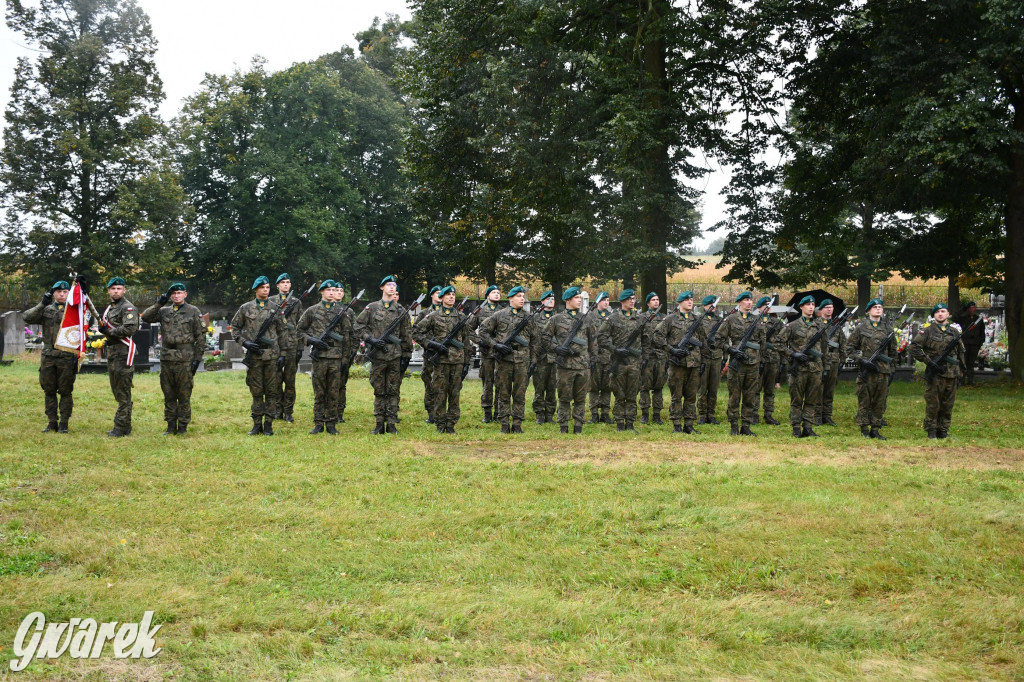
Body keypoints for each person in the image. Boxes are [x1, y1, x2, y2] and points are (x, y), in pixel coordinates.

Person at [141, 283, 206, 435]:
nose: (176, 296)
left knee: (184, 394)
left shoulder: (193, 311)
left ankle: (183, 426)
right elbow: (145, 317)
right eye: (173, 293)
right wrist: (159, 303)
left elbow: (200, 336)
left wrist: (197, 358)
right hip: (167, 358)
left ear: (185, 294)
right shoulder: (164, 311)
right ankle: (170, 425)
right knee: (168, 393)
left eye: (179, 293)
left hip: (185, 358)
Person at [355, 275, 413, 434]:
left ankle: (392, 424)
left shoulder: (401, 310)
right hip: (378, 357)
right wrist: (371, 340)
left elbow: (406, 334)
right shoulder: (371, 308)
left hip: (395, 356)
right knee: (379, 391)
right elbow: (358, 326)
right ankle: (379, 423)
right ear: (382, 287)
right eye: (388, 285)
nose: (392, 287)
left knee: (393, 391)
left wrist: (406, 355)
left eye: (394, 285)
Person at [477, 286, 539, 433]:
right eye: (518, 296)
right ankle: (504, 423)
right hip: (504, 360)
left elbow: (536, 340)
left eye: (523, 296)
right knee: (503, 393)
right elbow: (483, 331)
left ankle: (517, 424)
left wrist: (534, 360)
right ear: (510, 298)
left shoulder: (529, 317)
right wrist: (496, 345)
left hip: (522, 360)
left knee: (520, 393)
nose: (522, 299)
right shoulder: (499, 315)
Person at [231, 275, 288, 435]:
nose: (266, 290)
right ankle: (257, 424)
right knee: (256, 392)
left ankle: (268, 424)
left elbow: (283, 332)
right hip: (254, 357)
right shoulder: (245, 308)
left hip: (272, 356)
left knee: (271, 392)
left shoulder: (276, 308)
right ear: (256, 289)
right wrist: (245, 343)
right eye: (262, 287)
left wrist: (283, 353)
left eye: (268, 287)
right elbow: (234, 328)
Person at [413, 286, 471, 433]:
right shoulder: (433, 316)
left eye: (453, 295)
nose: (451, 297)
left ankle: (451, 424)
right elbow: (416, 332)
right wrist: (431, 344)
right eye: (448, 295)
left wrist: (466, 362)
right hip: (440, 362)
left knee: (455, 393)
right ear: (442, 298)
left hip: (457, 361)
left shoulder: (461, 317)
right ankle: (440, 424)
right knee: (439, 393)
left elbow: (466, 341)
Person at [24, 280, 78, 433]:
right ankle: (52, 422)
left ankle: (64, 424)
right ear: (54, 293)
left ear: (68, 293)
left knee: (66, 391)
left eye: (65, 292)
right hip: (49, 357)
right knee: (49, 390)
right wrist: (42, 303)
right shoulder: (46, 310)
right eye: (58, 292)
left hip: (66, 356)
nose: (61, 294)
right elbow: (27, 317)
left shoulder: (74, 311)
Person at [542, 287, 597, 434]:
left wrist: (593, 359)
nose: (579, 300)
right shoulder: (556, 319)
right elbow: (545, 337)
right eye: (576, 297)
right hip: (565, 365)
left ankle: (578, 426)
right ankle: (563, 426)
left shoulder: (586, 319)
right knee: (564, 398)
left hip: (583, 365)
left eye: (580, 297)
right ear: (568, 300)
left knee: (580, 398)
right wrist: (556, 348)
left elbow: (593, 341)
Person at [297, 281, 349, 434]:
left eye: (334, 289)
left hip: (336, 357)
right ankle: (319, 422)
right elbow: (299, 331)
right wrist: (312, 341)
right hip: (319, 358)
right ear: (321, 292)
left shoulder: (341, 312)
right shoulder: (312, 311)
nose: (332, 292)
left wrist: (345, 359)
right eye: (328, 290)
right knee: (319, 391)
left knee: (333, 392)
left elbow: (347, 335)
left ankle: (331, 423)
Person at [654, 291, 707, 434]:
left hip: (694, 364)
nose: (690, 302)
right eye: (687, 300)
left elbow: (703, 341)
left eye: (691, 300)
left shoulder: (697, 320)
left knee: (691, 396)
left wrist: (703, 361)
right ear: (680, 302)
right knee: (676, 396)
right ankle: (676, 425)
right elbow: (657, 337)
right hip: (677, 364)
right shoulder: (670, 319)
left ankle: (689, 425)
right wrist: (671, 350)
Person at [910, 303, 965, 438]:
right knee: (933, 404)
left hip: (951, 374)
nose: (940, 314)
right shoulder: (927, 331)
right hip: (935, 374)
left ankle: (943, 430)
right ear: (933, 315)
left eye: (943, 311)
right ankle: (932, 431)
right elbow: (913, 348)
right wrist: (929, 362)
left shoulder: (954, 332)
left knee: (948, 404)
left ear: (948, 314)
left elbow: (961, 352)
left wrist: (961, 371)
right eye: (937, 312)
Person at [776, 295, 827, 438]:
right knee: (796, 400)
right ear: (801, 307)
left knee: (812, 400)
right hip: (798, 369)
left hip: (815, 368)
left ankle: (808, 427)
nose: (811, 307)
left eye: (813, 304)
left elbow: (824, 349)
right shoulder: (793, 325)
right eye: (808, 304)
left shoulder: (820, 326)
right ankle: (796, 428)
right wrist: (793, 354)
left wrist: (825, 367)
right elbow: (778, 343)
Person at [846, 298, 895, 439]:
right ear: (868, 311)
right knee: (864, 401)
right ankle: (864, 428)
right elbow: (849, 348)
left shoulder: (888, 329)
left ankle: (875, 428)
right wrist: (861, 360)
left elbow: (893, 352)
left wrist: (892, 369)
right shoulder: (861, 328)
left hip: (883, 371)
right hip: (866, 372)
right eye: (875, 307)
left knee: (879, 401)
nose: (878, 309)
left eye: (880, 307)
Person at [599, 289, 647, 432]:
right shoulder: (613, 318)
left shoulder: (640, 319)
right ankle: (620, 422)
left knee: (632, 395)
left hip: (634, 363)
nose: (633, 301)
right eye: (629, 299)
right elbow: (601, 337)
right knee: (619, 394)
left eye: (634, 298)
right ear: (622, 301)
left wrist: (644, 358)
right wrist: (614, 349)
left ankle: (630, 423)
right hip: (618, 363)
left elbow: (646, 340)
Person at [98, 277, 140, 437]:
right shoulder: (110, 308)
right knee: (117, 390)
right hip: (113, 353)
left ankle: (121, 427)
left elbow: (130, 328)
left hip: (123, 352)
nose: (116, 291)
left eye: (119, 288)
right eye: (113, 288)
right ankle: (125, 424)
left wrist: (109, 332)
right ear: (109, 290)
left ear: (124, 290)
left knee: (123, 390)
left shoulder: (127, 308)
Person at [721, 291, 765, 436]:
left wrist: (761, 360)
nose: (750, 302)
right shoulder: (731, 319)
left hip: (753, 364)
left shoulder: (757, 320)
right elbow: (718, 339)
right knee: (734, 395)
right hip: (736, 364)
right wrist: (731, 350)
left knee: (750, 396)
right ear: (739, 302)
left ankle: (746, 425)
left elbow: (762, 342)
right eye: (746, 300)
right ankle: (734, 425)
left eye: (751, 300)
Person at [271, 273, 304, 423]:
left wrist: (300, 347)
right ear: (277, 285)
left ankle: (289, 411)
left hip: (292, 346)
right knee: (276, 380)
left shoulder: (296, 302)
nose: (285, 284)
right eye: (282, 282)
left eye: (288, 282)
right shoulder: (271, 301)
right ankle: (278, 410)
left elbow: (302, 326)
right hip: (276, 346)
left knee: (290, 381)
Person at [469, 285, 503, 422]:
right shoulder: (480, 312)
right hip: (487, 353)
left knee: (501, 383)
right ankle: (487, 413)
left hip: (501, 353)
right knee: (487, 383)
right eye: (493, 292)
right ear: (487, 295)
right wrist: (479, 341)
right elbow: (469, 329)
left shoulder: (504, 311)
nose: (496, 294)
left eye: (498, 292)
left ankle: (499, 413)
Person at [751, 296, 782, 426]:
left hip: (772, 359)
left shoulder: (777, 322)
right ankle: (753, 415)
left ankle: (768, 414)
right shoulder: (754, 321)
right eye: (765, 306)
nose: (768, 308)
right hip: (757, 359)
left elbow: (782, 340)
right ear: (759, 307)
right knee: (755, 388)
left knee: (769, 390)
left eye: (769, 306)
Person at [331, 282, 359, 423]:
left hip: (345, 353)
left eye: (341, 290)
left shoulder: (349, 311)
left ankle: (339, 412)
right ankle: (328, 410)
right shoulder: (327, 309)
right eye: (336, 290)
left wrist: (353, 350)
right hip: (330, 353)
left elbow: (355, 332)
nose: (339, 293)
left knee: (341, 384)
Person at [638, 292, 667, 424]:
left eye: (657, 299)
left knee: (658, 387)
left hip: (660, 357)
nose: (656, 302)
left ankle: (657, 414)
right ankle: (644, 413)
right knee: (644, 386)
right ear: (648, 303)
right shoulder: (642, 318)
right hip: (647, 357)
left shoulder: (665, 318)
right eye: (653, 300)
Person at [817, 299, 846, 426]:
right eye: (827, 307)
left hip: (833, 360)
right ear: (821, 309)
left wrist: (842, 361)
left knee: (829, 389)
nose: (829, 309)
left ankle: (827, 415)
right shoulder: (816, 324)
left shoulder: (836, 326)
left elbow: (843, 345)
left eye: (831, 307)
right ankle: (816, 415)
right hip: (820, 360)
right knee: (818, 389)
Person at [416, 285, 443, 421]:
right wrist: (428, 344)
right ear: (431, 295)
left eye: (441, 293)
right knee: (429, 381)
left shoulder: (449, 312)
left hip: (444, 353)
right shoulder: (425, 313)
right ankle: (431, 412)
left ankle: (441, 411)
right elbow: (416, 332)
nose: (440, 295)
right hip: (430, 353)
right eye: (437, 293)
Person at [531, 290, 558, 424]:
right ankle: (540, 414)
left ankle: (550, 414)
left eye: (552, 299)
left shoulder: (558, 317)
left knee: (552, 388)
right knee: (539, 387)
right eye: (548, 299)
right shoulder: (535, 318)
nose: (551, 301)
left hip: (554, 357)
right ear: (542, 301)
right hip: (540, 358)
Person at [697, 295, 724, 425]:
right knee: (703, 388)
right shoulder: (699, 320)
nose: (713, 307)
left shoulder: (720, 320)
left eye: (714, 305)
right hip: (703, 357)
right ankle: (702, 414)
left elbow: (723, 339)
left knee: (713, 388)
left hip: (716, 357)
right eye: (710, 305)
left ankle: (711, 414)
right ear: (704, 306)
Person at [588, 292, 614, 424]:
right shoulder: (590, 317)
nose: (606, 303)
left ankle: (605, 413)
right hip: (594, 357)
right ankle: (593, 414)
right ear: (598, 302)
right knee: (593, 387)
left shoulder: (612, 317)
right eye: (604, 300)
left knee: (607, 387)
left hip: (608, 357)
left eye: (608, 300)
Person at [955, 301, 984, 385]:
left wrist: (979, 344)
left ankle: (970, 381)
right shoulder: (963, 318)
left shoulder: (978, 319)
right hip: (965, 343)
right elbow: (954, 317)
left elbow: (982, 333)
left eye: (974, 308)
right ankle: (961, 380)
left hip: (974, 344)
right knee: (963, 362)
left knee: (971, 363)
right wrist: (962, 309)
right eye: (971, 308)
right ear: (968, 309)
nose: (973, 309)